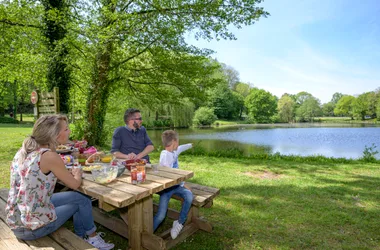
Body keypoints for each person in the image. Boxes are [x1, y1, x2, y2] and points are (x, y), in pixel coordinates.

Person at [5, 114, 114, 250]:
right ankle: (90, 239)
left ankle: (84, 237)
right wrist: (78, 174)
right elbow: (75, 184)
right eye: (66, 129)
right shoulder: (49, 156)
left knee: (80, 198)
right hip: (32, 228)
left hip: (17, 218)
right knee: (82, 201)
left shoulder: (25, 150)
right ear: (55, 134)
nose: (69, 131)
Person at [153, 130, 193, 239]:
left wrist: (190, 145)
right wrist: (183, 183)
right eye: (178, 142)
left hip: (177, 185)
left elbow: (181, 148)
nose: (179, 144)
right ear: (174, 142)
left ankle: (179, 223)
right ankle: (149, 233)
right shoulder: (165, 155)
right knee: (161, 215)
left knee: (189, 196)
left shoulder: (174, 151)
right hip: (167, 188)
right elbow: (168, 176)